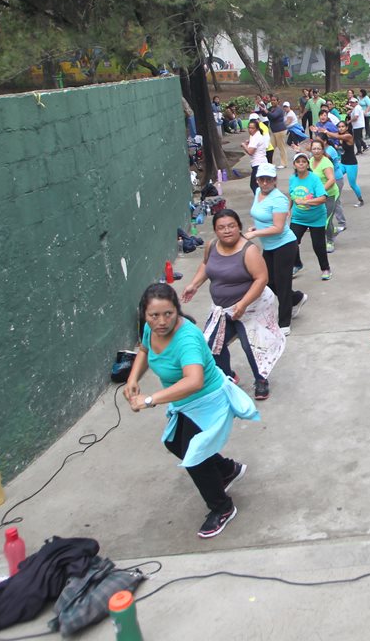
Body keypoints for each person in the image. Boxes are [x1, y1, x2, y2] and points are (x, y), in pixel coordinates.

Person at [123, 283, 260, 538]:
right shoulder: (149, 329)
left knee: (194, 456)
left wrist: (150, 399)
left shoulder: (187, 339)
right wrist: (133, 378)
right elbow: (144, 350)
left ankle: (223, 507)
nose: (161, 321)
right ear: (145, 314)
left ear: (177, 310)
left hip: (208, 400)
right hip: (183, 401)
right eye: (154, 316)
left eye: (168, 314)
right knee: (175, 444)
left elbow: (194, 381)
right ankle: (227, 470)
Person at [181, 208, 286, 401]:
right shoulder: (211, 246)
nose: (227, 230)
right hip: (223, 309)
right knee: (211, 345)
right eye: (221, 227)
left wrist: (244, 304)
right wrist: (194, 285)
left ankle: (261, 380)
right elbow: (206, 265)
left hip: (252, 307)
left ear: (239, 227)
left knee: (252, 346)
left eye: (231, 226)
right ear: (215, 231)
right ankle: (227, 375)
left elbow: (261, 279)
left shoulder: (249, 250)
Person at [244, 164, 307, 336]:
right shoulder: (258, 193)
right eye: (261, 179)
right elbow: (262, 216)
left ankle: (284, 322)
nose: (265, 183)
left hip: (284, 246)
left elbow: (278, 227)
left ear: (275, 181)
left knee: (282, 283)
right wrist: (254, 227)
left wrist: (255, 234)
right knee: (269, 282)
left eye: (268, 179)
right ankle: (297, 298)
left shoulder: (279, 199)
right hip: (269, 246)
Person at [287, 151, 332, 281]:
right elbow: (292, 194)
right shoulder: (292, 178)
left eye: (304, 162)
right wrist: (288, 209)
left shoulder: (314, 178)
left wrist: (306, 201)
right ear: (294, 165)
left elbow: (323, 198)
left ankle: (325, 268)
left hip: (316, 217)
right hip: (298, 217)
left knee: (318, 245)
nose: (301, 164)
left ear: (308, 164)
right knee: (291, 242)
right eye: (298, 162)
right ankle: (297, 264)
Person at [309, 138, 342, 253]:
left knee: (325, 219)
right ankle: (333, 231)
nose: (316, 151)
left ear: (323, 150)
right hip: (317, 195)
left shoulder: (326, 162)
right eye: (314, 149)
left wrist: (320, 191)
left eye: (319, 148)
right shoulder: (311, 160)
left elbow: (331, 179)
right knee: (321, 218)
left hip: (330, 194)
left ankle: (330, 241)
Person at [333, 120, 365, 207]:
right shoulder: (340, 136)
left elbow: (334, 135)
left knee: (352, 184)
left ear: (347, 128)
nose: (341, 128)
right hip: (342, 163)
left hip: (351, 164)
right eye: (339, 127)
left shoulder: (348, 136)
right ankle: (335, 198)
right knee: (334, 178)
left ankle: (360, 200)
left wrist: (325, 131)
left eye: (343, 126)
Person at [241, 119, 271, 192]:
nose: (250, 130)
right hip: (258, 163)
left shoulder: (256, 137)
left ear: (257, 128)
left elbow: (250, 152)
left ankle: (260, 200)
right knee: (259, 184)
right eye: (249, 127)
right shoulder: (254, 136)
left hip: (258, 163)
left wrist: (244, 145)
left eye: (252, 128)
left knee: (254, 185)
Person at [267, 99, 289, 168]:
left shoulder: (279, 109)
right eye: (271, 100)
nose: (272, 101)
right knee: (270, 147)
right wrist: (262, 107)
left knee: (281, 147)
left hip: (280, 131)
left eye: (274, 100)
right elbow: (264, 113)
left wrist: (267, 111)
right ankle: (270, 163)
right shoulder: (271, 108)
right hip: (273, 131)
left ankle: (284, 163)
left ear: (278, 101)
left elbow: (274, 116)